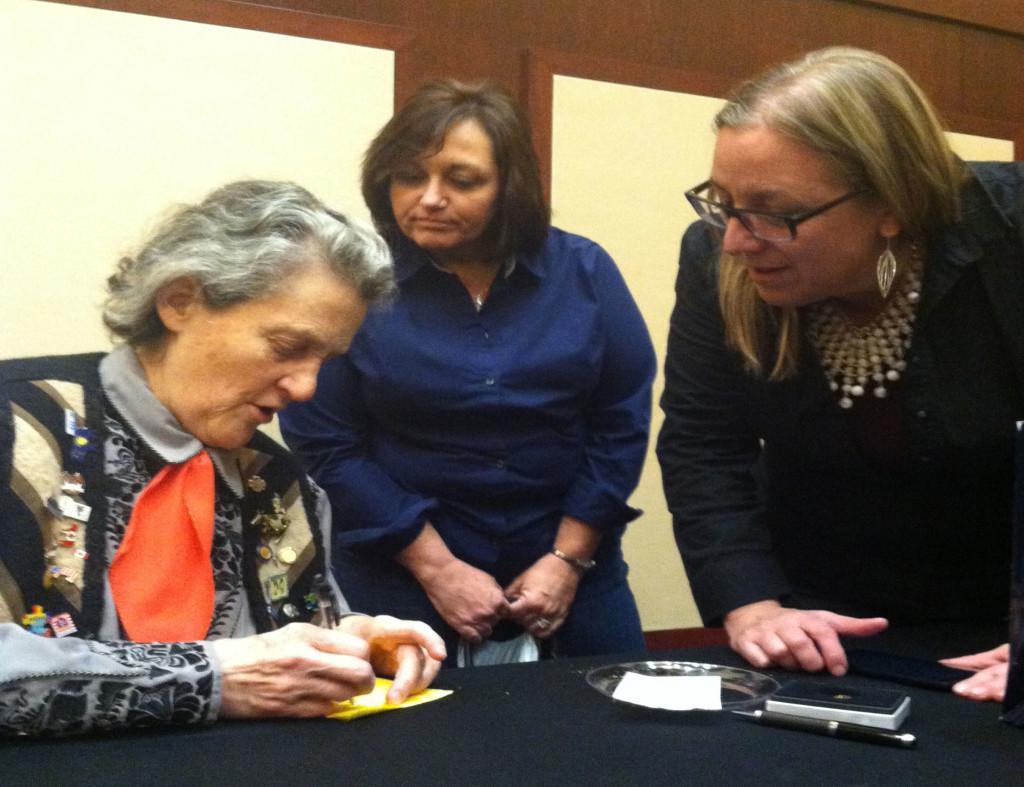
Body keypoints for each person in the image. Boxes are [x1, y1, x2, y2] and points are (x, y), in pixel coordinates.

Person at [0, 180, 446, 736]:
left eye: (325, 360)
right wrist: (211, 677)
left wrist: (357, 643)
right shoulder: (19, 428)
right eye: (287, 347)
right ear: (180, 301)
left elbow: (291, 636)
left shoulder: (276, 478)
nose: (307, 388)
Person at [656, 47, 1023, 701]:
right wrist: (752, 604)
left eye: (775, 212)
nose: (736, 241)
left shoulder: (1010, 235)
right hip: (823, 630)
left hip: (1000, 623)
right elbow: (703, 443)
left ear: (891, 203)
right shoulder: (715, 259)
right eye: (724, 202)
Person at [281, 80, 655, 665]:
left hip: (572, 561)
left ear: (511, 188)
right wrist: (439, 569)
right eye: (409, 177)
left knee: (620, 733)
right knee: (406, 750)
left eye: (462, 180)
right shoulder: (353, 280)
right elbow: (326, 444)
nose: (428, 198)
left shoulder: (584, 270)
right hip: (398, 564)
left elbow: (620, 421)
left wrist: (567, 560)